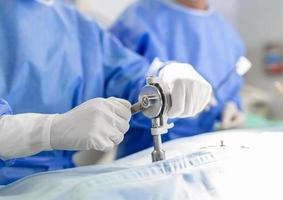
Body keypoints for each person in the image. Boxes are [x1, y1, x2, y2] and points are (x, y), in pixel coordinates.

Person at [0, 0, 212, 184]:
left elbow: (129, 76)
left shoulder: (81, 27)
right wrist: (48, 130)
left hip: (59, 182)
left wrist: (165, 77)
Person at [110, 0, 247, 158]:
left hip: (207, 157)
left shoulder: (227, 34)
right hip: (144, 159)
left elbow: (232, 88)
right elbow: (115, 87)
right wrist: (160, 96)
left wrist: (232, 107)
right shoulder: (137, 18)